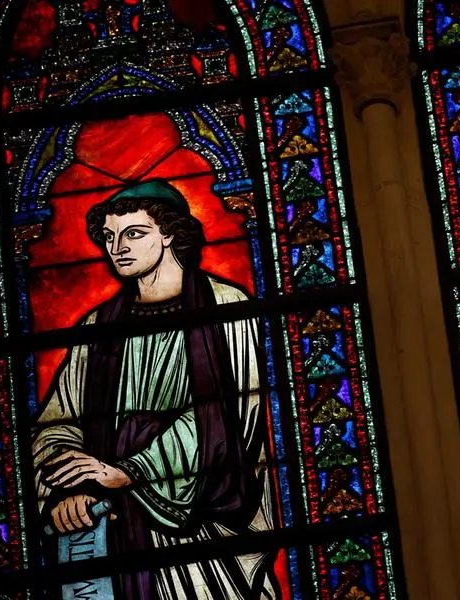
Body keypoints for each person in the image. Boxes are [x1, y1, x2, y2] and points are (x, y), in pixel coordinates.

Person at [32, 180, 279, 599]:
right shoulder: (97, 329)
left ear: (168, 233)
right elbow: (60, 421)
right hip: (114, 528)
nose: (117, 247)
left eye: (133, 233)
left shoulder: (227, 308)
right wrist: (69, 486)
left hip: (203, 523)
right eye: (109, 237)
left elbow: (232, 415)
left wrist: (129, 471)